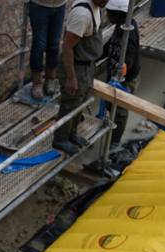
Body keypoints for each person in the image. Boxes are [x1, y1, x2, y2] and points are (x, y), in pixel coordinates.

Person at [51, 0, 110, 155]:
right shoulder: (83, 15)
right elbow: (67, 47)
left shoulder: (97, 6)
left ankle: (71, 133)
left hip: (87, 65)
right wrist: (71, 77)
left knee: (81, 102)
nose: (106, 1)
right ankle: (60, 139)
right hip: (77, 66)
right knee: (70, 103)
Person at [101, 0, 141, 144]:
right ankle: (108, 127)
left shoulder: (129, 31)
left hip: (126, 80)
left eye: (108, 14)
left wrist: (125, 65)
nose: (107, 17)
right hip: (113, 76)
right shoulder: (120, 25)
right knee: (109, 105)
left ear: (118, 15)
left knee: (120, 112)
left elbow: (130, 52)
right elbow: (111, 44)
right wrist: (96, 54)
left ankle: (114, 142)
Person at [27, 0, 67, 99]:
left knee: (54, 45)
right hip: (40, 5)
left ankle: (50, 79)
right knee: (39, 45)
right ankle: (37, 83)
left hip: (60, 5)